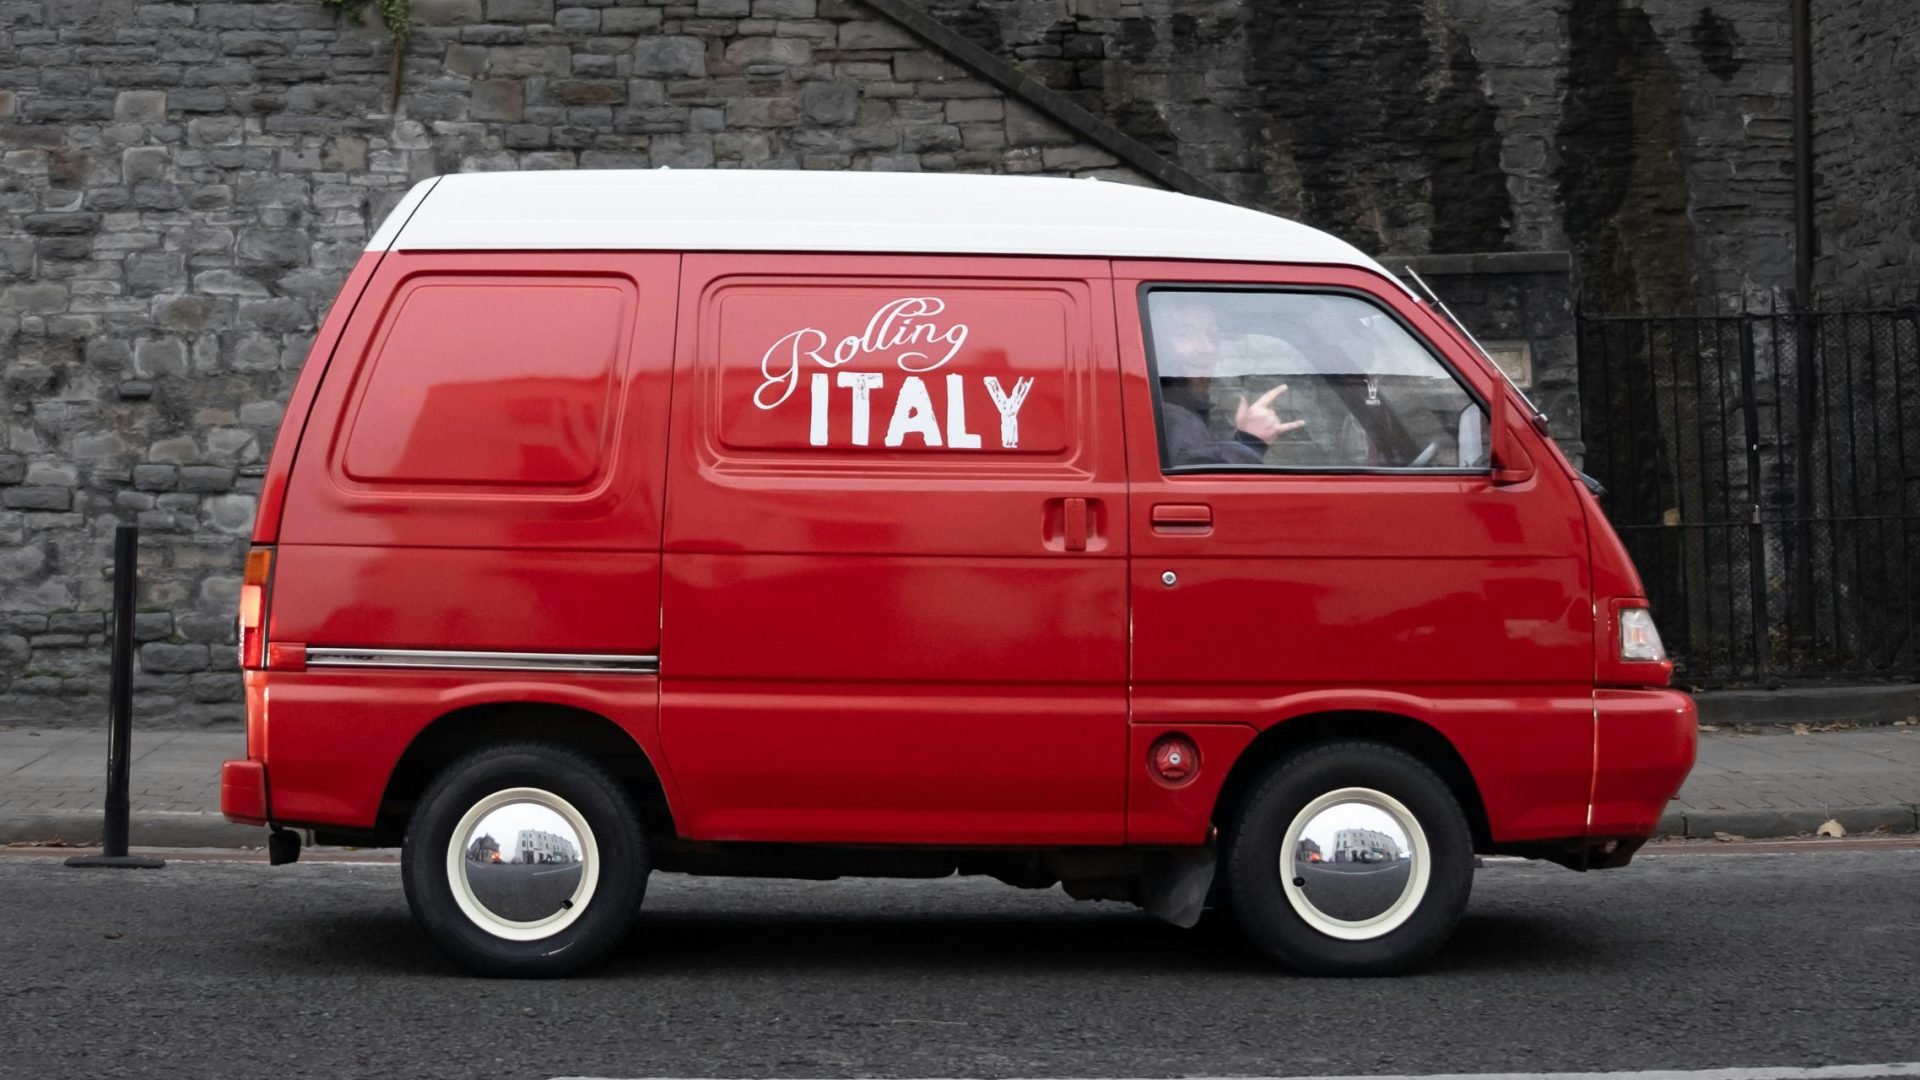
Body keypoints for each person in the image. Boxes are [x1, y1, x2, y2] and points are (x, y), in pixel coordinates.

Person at [1153, 293, 1305, 467]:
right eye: (1185, 335)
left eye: (1213, 335)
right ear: (1158, 345)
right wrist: (1250, 442)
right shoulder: (1173, 420)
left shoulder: (1180, 412)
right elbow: (1205, 490)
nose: (1207, 348)